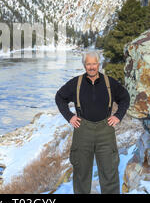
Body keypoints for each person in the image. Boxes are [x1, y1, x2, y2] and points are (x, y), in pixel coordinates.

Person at [55, 50, 130, 194]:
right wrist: (69, 116)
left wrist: (118, 116)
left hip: (105, 130)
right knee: (81, 172)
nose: (91, 67)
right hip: (83, 130)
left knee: (110, 172)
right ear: (84, 65)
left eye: (94, 63)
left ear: (99, 64)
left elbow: (125, 97)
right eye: (88, 64)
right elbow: (59, 97)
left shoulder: (109, 82)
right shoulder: (76, 83)